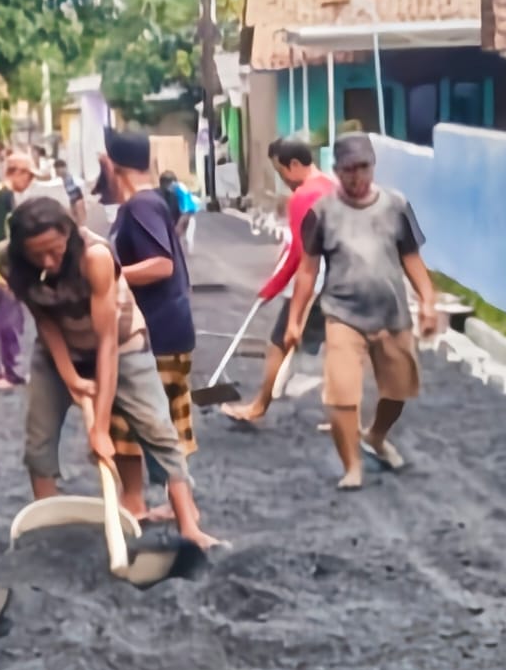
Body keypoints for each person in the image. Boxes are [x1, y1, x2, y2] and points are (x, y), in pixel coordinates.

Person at [0, 196, 217, 549]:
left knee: (159, 430)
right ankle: (46, 526)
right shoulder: (8, 258)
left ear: (68, 234)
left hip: (122, 345)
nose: (49, 262)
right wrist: (69, 376)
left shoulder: (95, 257)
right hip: (58, 348)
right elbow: (44, 320)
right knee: (39, 438)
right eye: (37, 256)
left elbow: (108, 344)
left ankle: (189, 527)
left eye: (55, 251)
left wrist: (100, 428)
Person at [288, 133, 438, 488]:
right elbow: (307, 270)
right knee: (342, 394)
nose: (357, 177)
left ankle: (376, 435)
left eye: (363, 168)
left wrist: (428, 301)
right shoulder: (321, 213)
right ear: (336, 170)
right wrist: (294, 320)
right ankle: (352, 466)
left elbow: (411, 258)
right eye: (348, 170)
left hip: (391, 313)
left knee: (399, 390)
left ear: (373, 166)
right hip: (342, 314)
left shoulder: (396, 205)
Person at [104, 130, 198, 522]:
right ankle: (150, 504)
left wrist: (107, 275)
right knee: (156, 422)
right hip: (168, 327)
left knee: (137, 421)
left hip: (155, 333)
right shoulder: (151, 201)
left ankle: (147, 504)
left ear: (114, 167)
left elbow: (161, 264)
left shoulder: (140, 206)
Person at [220, 137, 337, 424]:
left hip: (318, 283)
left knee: (279, 342)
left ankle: (259, 406)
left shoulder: (304, 196)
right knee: (342, 347)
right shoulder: (333, 188)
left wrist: (271, 288)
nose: (283, 179)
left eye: (281, 170)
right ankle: (348, 417)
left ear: (295, 165)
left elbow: (300, 253)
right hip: (342, 280)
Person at [0, 151, 36, 390]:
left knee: (12, 322)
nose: (30, 182)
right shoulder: (1, 195)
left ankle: (12, 370)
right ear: (17, 172)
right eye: (29, 176)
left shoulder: (5, 194)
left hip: (3, 269)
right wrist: (3, 272)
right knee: (0, 323)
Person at [158, 170, 201, 254]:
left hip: (183, 216)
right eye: (165, 183)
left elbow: (188, 209)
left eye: (169, 183)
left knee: (184, 238)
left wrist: (181, 222)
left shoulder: (180, 192)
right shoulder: (162, 194)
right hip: (173, 219)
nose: (167, 186)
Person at [54, 158, 87, 227]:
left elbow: (81, 186)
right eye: (57, 169)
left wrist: (82, 199)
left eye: (59, 168)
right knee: (73, 220)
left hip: (77, 200)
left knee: (80, 221)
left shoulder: (71, 178)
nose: (58, 171)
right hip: (70, 202)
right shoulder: (60, 180)